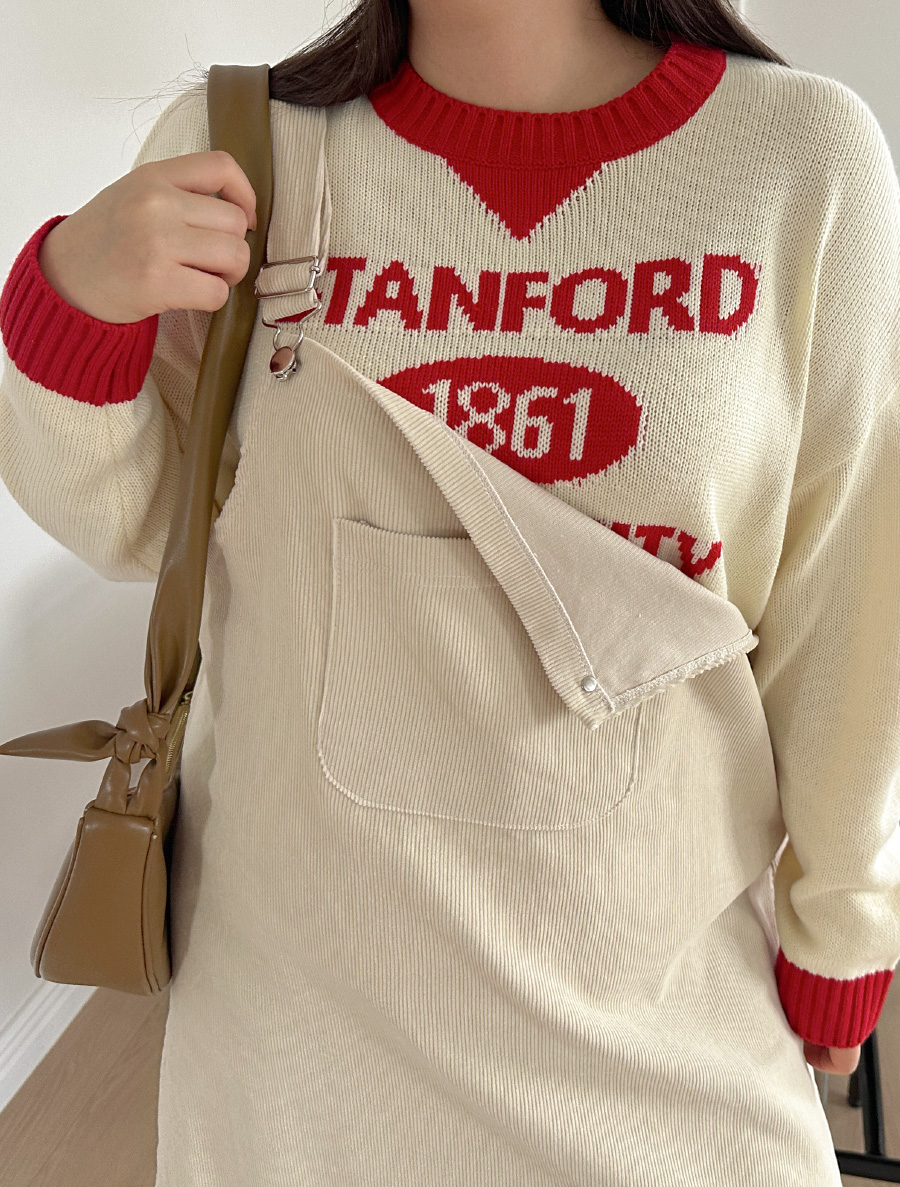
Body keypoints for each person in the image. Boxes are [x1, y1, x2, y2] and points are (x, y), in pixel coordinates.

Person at [1, 1, 898, 1183]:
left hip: (656, 988)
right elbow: (136, 526)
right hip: (297, 996)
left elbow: (849, 593)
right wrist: (69, 306)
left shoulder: (803, 157)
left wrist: (844, 914)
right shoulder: (241, 146)